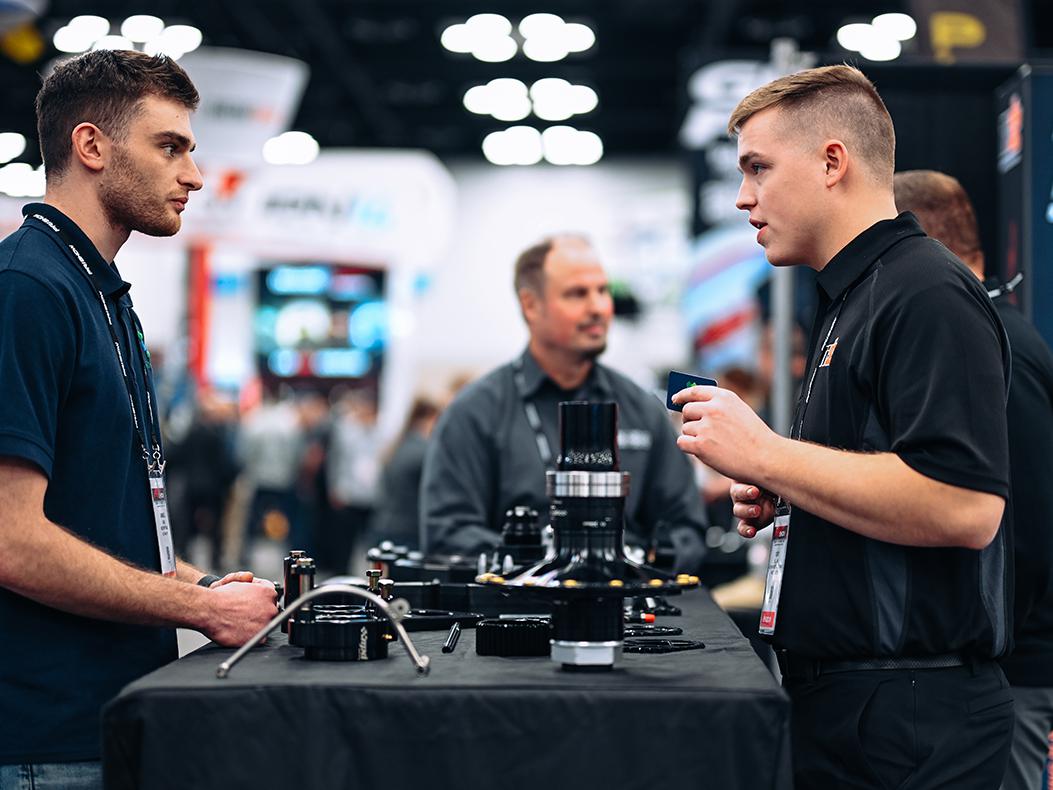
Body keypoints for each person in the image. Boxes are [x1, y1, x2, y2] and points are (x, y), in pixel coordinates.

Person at [672, 65, 1014, 789]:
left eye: (757, 168)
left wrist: (767, 453)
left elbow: (964, 504)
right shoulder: (852, 296)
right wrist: (787, 485)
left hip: (910, 721)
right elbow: (884, 469)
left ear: (832, 162)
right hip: (852, 707)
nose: (742, 197)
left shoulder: (923, 293)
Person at [0, 50, 277, 787]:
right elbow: (13, 542)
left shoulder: (103, 295)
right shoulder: (26, 289)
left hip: (115, 710)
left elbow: (101, 523)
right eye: (170, 147)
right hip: (43, 742)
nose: (192, 175)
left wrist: (208, 586)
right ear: (91, 146)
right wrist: (196, 608)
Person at [895, 169, 1053, 790]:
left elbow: (1032, 520)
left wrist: (992, 644)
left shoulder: (997, 344)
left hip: (1015, 671)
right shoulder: (987, 334)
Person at [421, 234, 708, 571]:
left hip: (628, 607)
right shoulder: (475, 414)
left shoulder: (641, 410)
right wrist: (544, 561)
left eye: (602, 291)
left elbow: (686, 528)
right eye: (577, 294)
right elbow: (447, 534)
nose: (598, 307)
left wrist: (637, 561)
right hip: (518, 611)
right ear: (531, 305)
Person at [371, 394, 443, 550]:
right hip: (409, 531)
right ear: (431, 418)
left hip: (385, 524)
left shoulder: (398, 445)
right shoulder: (424, 451)